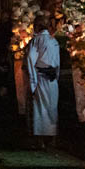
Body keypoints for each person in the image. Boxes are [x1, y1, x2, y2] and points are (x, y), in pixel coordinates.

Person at [24, 13, 60, 149]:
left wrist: (33, 83)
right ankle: (52, 139)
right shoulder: (54, 41)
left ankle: (41, 141)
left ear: (38, 26)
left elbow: (30, 61)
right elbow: (57, 63)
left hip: (40, 78)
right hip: (52, 80)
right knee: (52, 109)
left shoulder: (37, 40)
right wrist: (56, 77)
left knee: (40, 109)